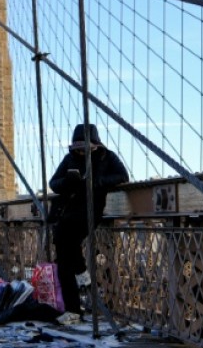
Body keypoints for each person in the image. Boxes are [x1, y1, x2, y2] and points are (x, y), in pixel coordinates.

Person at [47, 123, 129, 325]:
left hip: (90, 211)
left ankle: (80, 281)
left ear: (94, 144)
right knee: (63, 260)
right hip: (68, 210)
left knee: (65, 243)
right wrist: (68, 182)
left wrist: (95, 182)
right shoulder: (70, 159)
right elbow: (53, 183)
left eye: (84, 147)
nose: (81, 151)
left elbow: (122, 176)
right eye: (77, 147)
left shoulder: (107, 157)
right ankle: (74, 305)